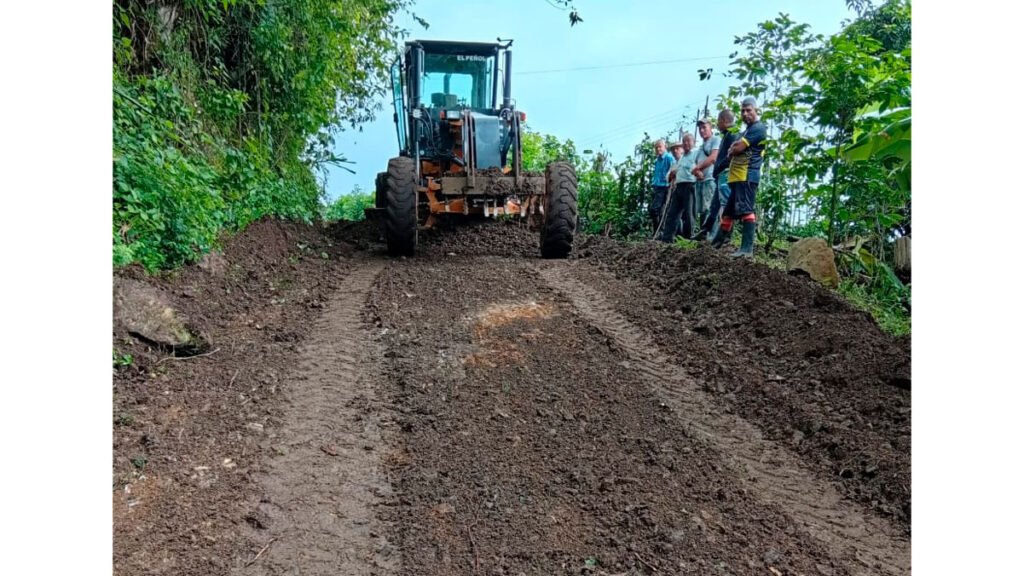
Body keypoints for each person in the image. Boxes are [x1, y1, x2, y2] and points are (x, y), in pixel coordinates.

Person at [712, 97, 767, 258]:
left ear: (756, 110)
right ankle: (713, 247)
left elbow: (737, 148)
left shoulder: (758, 128)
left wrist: (733, 149)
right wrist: (733, 149)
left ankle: (746, 250)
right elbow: (733, 148)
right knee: (728, 213)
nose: (745, 113)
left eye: (748, 110)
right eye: (742, 110)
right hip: (737, 178)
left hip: (747, 176)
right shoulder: (746, 131)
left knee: (746, 210)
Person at [700, 109, 740, 243]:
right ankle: (706, 231)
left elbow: (730, 156)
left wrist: (720, 166)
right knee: (715, 205)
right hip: (720, 174)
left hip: (726, 174)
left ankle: (725, 236)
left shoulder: (733, 135)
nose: (717, 124)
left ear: (724, 121)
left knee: (725, 204)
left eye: (718, 121)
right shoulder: (727, 135)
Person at [658, 134, 698, 241]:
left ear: (693, 143)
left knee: (689, 214)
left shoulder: (695, 155)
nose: (686, 144)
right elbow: (668, 177)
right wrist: (672, 174)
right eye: (684, 142)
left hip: (690, 185)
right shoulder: (680, 159)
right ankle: (667, 239)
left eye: (688, 141)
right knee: (672, 214)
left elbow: (698, 169)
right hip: (678, 187)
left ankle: (689, 238)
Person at [690, 118, 720, 237]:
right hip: (701, 181)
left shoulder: (716, 140)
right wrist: (696, 172)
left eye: (704, 128)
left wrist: (697, 168)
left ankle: (711, 237)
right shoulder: (701, 147)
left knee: (710, 208)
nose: (702, 131)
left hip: (710, 179)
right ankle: (704, 235)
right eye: (700, 129)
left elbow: (713, 157)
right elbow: (693, 163)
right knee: (702, 210)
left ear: (711, 128)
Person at [648, 139, 674, 232]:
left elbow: (673, 170)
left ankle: (659, 231)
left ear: (664, 147)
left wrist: (670, 185)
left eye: (660, 147)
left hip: (665, 187)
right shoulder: (657, 160)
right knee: (657, 211)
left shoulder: (669, 157)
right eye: (656, 147)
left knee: (656, 210)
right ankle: (658, 232)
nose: (658, 149)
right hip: (657, 187)